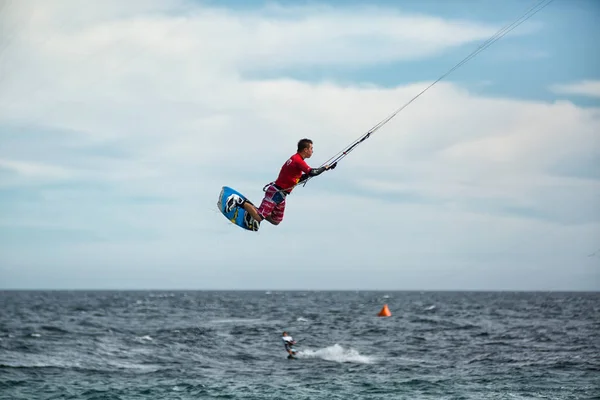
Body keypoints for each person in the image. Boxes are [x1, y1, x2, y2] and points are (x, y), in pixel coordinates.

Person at [225, 138, 337, 229]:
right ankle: (238, 201)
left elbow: (301, 177)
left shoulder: (296, 160)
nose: (312, 151)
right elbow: (312, 172)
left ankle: (252, 212)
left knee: (276, 220)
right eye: (311, 148)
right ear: (305, 149)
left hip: (281, 195)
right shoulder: (298, 160)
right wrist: (325, 168)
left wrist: (324, 169)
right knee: (259, 217)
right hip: (276, 192)